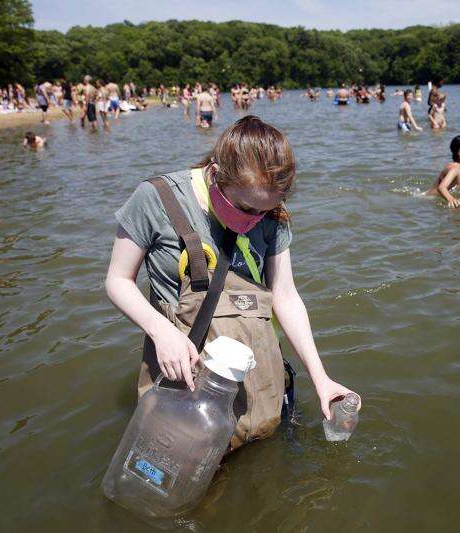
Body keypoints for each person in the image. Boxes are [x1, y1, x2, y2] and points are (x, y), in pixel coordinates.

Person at [106, 115, 359, 451]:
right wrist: (159, 330)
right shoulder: (156, 199)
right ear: (215, 174)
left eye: (264, 210)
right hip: (182, 369)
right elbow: (118, 281)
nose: (252, 220)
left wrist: (321, 377)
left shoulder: (271, 214)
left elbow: (285, 296)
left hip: (252, 367)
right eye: (243, 207)